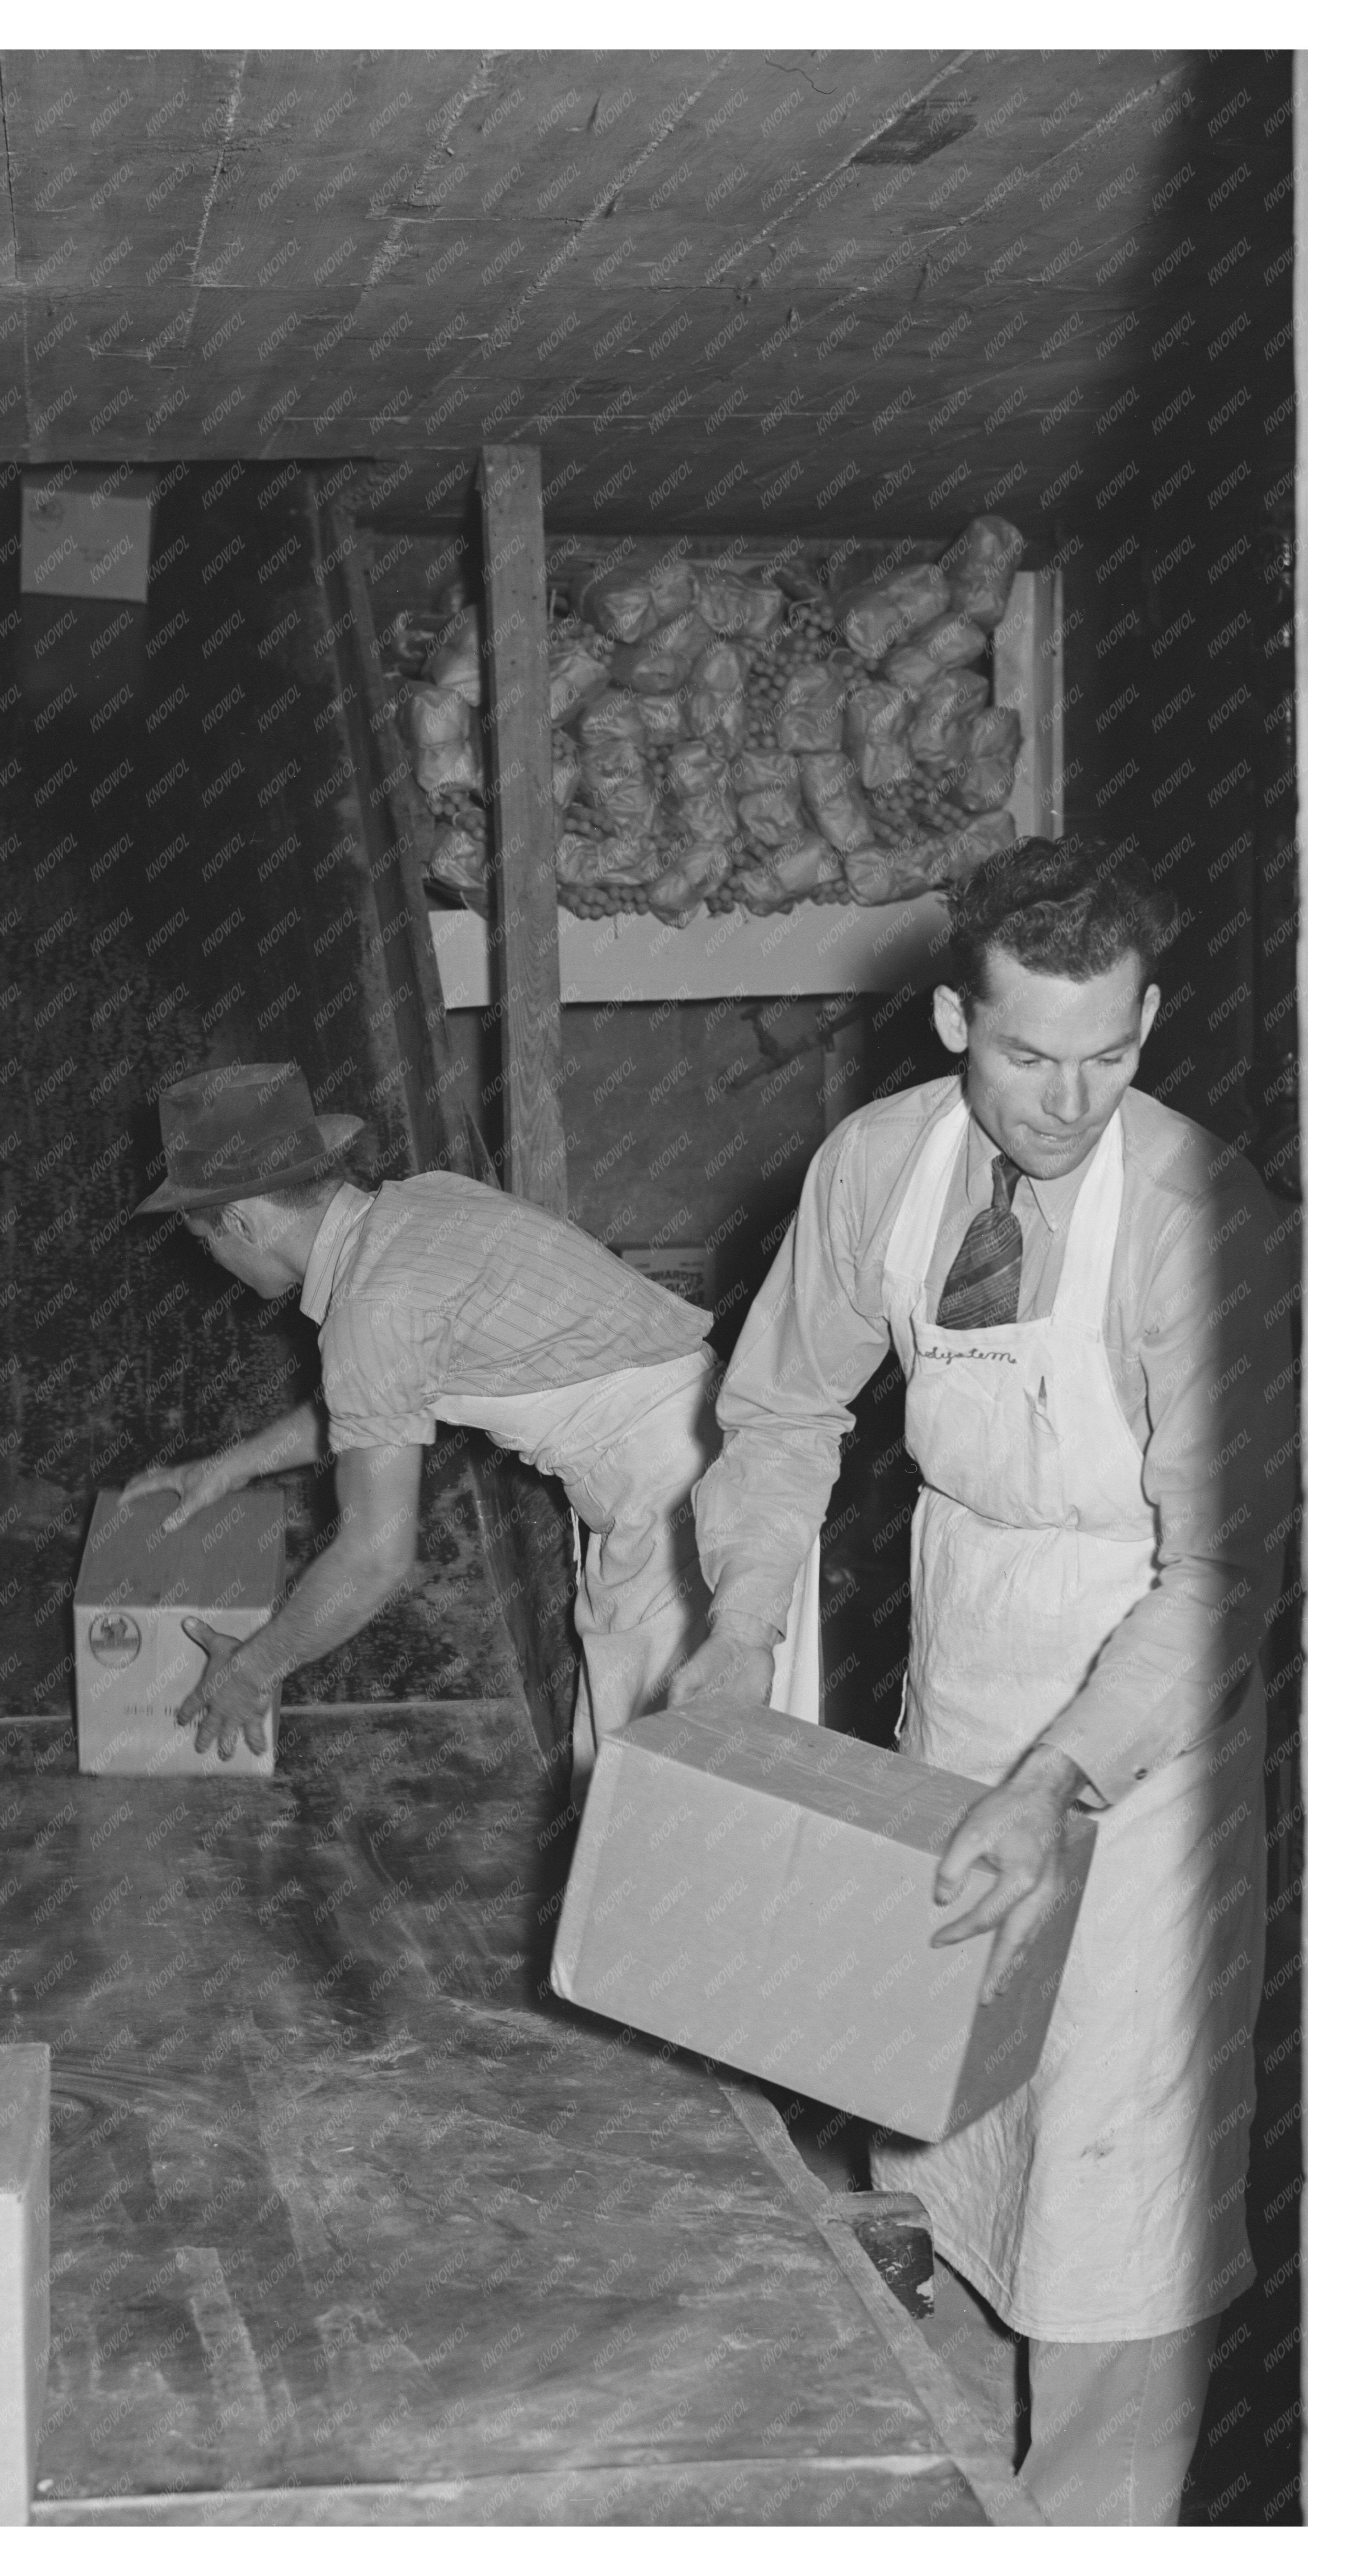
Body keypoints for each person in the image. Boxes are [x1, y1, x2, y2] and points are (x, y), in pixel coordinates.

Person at [674, 836, 1295, 2524]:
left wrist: (1059, 1782)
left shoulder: (1201, 1221)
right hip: (961, 1664)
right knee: (939, 2121)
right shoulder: (878, 1169)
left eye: (1109, 1053)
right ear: (955, 1016)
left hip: (1143, 1728)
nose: (1067, 1099)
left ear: (1151, 1020)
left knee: (1121, 2171)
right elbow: (786, 1413)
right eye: (1027, 1053)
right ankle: (952, 2504)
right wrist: (740, 1630)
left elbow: (1225, 1569)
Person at [123, 1061, 816, 1771]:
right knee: (662, 1795)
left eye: (207, 1240)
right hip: (721, 1461)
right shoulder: (415, 1207)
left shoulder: (373, 1306)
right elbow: (377, 1399)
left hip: (683, 1513)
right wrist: (229, 1467)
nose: (214, 1259)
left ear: (239, 1220)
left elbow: (373, 1559)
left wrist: (251, 1670)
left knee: (660, 1810)